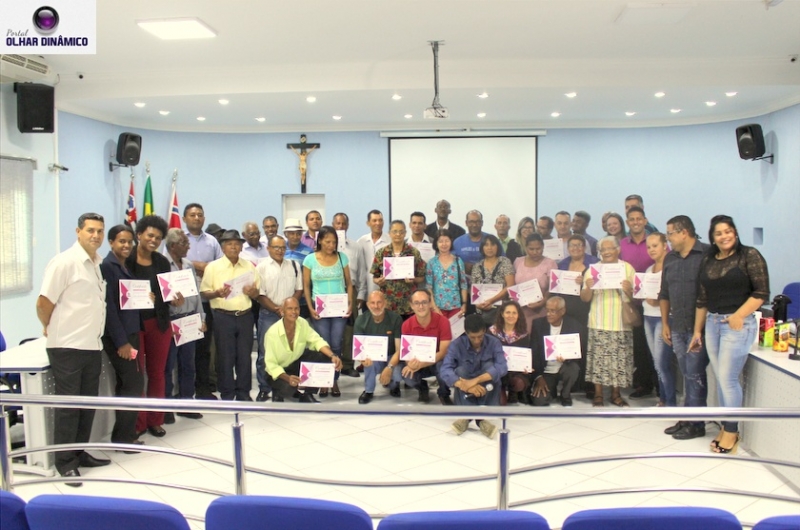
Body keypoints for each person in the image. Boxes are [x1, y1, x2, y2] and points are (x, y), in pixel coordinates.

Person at [37, 212, 111, 485]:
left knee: (86, 404)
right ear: (78, 231)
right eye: (91, 230)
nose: (96, 235)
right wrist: (51, 325)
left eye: (100, 231)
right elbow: (44, 302)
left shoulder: (95, 263)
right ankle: (65, 462)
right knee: (69, 407)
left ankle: (79, 453)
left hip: (91, 344)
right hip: (67, 346)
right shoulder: (65, 262)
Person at [691, 215, 769, 454]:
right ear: (713, 237)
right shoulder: (708, 260)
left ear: (735, 233)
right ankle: (726, 427)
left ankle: (732, 432)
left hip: (738, 323)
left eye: (728, 231)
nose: (724, 236)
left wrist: (737, 316)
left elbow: (761, 292)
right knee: (721, 378)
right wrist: (697, 330)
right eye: (718, 233)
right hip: (713, 323)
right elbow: (702, 299)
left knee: (728, 378)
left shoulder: (749, 255)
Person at [660, 215, 711, 441]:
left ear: (684, 232)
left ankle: (696, 423)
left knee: (695, 374)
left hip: (700, 328)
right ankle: (688, 417)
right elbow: (664, 293)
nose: (667, 238)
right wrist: (664, 323)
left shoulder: (708, 254)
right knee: (686, 374)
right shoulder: (670, 258)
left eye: (670, 233)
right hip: (677, 326)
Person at [128, 215, 175, 438]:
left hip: (159, 323)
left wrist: (175, 298)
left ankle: (156, 420)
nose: (154, 240)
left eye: (158, 237)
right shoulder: (126, 260)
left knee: (157, 373)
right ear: (139, 235)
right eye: (150, 235)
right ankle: (138, 423)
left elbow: (168, 294)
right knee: (137, 376)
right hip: (134, 325)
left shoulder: (162, 262)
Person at [100, 224, 146, 452]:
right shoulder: (107, 266)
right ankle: (124, 438)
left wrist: (146, 297)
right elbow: (108, 308)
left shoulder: (123, 265)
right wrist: (122, 343)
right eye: (121, 241)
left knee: (129, 383)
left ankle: (125, 435)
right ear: (111, 242)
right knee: (133, 383)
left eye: (129, 242)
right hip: (121, 338)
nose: (127, 245)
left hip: (131, 333)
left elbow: (126, 301)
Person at [200, 229, 260, 401]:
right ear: (223, 247)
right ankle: (227, 393)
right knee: (225, 357)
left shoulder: (249, 266)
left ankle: (243, 393)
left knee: (244, 356)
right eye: (229, 244)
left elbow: (257, 293)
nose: (233, 247)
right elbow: (204, 292)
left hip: (245, 316)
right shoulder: (213, 267)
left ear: (241, 247)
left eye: (237, 244)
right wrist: (217, 293)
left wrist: (253, 292)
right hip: (222, 316)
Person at [580, 236, 636, 407]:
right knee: (598, 361)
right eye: (602, 250)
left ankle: (616, 394)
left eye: (609, 249)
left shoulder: (627, 268)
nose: (606, 252)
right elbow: (584, 298)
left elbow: (637, 296)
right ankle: (598, 395)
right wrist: (588, 287)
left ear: (618, 250)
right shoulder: (593, 270)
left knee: (619, 360)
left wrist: (629, 290)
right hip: (598, 320)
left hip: (621, 322)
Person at [303, 226, 354, 397]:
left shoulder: (342, 258)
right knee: (323, 344)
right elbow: (306, 286)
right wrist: (310, 308)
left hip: (339, 308)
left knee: (337, 343)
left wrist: (350, 304)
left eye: (334, 242)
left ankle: (334, 379)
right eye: (327, 241)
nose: (331, 245)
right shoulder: (310, 260)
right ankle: (323, 380)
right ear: (320, 241)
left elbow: (349, 283)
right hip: (320, 309)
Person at [162, 228, 206, 421]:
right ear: (173, 246)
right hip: (172, 321)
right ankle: (166, 408)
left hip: (190, 319)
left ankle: (186, 403)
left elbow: (195, 293)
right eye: (184, 244)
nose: (188, 246)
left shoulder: (188, 264)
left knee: (188, 365)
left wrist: (201, 318)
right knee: (168, 367)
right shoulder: (161, 264)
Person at [441, 314, 507, 439]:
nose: (477, 341)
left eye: (480, 336)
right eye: (473, 337)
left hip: (487, 387)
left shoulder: (494, 343)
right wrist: (465, 385)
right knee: (460, 371)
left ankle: (467, 417)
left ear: (484, 331)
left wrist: (475, 381)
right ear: (466, 333)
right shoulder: (456, 345)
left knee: (490, 368)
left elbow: (502, 367)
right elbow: (445, 369)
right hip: (466, 387)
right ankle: (481, 420)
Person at [264, 297, 342, 403]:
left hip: (295, 364)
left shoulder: (302, 323)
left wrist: (333, 356)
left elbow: (317, 341)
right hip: (279, 372)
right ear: (282, 311)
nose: (294, 312)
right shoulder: (272, 333)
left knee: (324, 356)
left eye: (296, 308)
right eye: (290, 309)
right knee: (288, 388)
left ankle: (306, 394)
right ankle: (277, 391)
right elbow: (271, 365)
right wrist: (288, 378)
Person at [255, 235, 303, 401]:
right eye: (276, 247)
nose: (280, 250)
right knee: (265, 353)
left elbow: (299, 289)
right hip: (269, 314)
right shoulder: (261, 268)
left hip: (290, 316)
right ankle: (264, 388)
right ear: (268, 248)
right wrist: (277, 309)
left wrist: (288, 309)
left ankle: (285, 388)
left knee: (291, 352)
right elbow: (259, 294)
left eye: (283, 247)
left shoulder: (294, 266)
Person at [183, 203, 222, 399]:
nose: (196, 218)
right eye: (192, 215)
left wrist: (204, 267)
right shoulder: (178, 240)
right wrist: (196, 265)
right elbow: (170, 267)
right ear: (184, 219)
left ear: (204, 219)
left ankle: (203, 389)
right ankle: (185, 392)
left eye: (199, 215)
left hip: (206, 302)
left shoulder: (212, 242)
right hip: (184, 304)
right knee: (186, 350)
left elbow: (220, 269)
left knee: (205, 349)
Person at [391, 289, 453, 404]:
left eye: (424, 302)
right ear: (411, 306)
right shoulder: (406, 325)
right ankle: (422, 387)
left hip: (437, 361)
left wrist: (422, 364)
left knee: (444, 366)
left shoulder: (443, 322)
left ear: (430, 304)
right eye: (417, 303)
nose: (421, 306)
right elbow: (405, 352)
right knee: (404, 373)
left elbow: (444, 351)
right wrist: (410, 364)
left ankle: (444, 393)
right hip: (417, 362)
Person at [620, 206, 657, 400]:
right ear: (627, 222)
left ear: (645, 220)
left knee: (656, 346)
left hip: (654, 302)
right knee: (639, 346)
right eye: (631, 219)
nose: (635, 222)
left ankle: (659, 386)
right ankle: (643, 384)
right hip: (631, 302)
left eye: (639, 218)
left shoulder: (653, 241)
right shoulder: (622, 245)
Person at [558, 234, 599, 398]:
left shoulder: (594, 263)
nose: (575, 248)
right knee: (571, 347)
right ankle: (573, 382)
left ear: (584, 247)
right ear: (568, 249)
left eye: (579, 245)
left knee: (587, 346)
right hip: (567, 309)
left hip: (587, 309)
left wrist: (586, 281)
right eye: (572, 246)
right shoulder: (562, 264)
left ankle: (589, 386)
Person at [530, 296, 585, 408]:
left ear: (562, 311)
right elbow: (534, 353)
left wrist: (568, 357)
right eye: (547, 310)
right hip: (546, 371)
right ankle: (552, 391)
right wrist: (538, 377)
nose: (549, 314)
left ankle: (565, 394)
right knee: (539, 402)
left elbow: (579, 353)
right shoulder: (538, 324)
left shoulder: (574, 325)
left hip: (564, 367)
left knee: (573, 368)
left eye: (553, 311)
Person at [332, 212, 367, 378]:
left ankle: (347, 364)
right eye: (337, 223)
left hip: (350, 291)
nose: (340, 226)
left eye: (343, 223)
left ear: (347, 225)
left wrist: (361, 294)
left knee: (349, 329)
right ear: (333, 225)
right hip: (331, 291)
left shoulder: (356, 247)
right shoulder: (326, 246)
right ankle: (330, 363)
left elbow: (361, 272)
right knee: (330, 327)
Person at [370, 220, 426, 318]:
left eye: (401, 231)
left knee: (406, 332)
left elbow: (421, 277)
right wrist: (379, 281)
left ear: (405, 233)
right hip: (387, 304)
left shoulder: (414, 252)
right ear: (389, 233)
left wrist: (413, 280)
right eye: (395, 231)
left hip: (408, 305)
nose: (398, 234)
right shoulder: (381, 253)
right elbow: (375, 277)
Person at [354, 291, 403, 404]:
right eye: (373, 303)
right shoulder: (360, 320)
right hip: (373, 357)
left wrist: (389, 367)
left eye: (379, 302)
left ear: (385, 303)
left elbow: (399, 350)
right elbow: (358, 350)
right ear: (367, 305)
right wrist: (362, 360)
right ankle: (369, 391)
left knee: (396, 373)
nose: (376, 306)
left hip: (392, 356)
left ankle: (394, 385)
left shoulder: (396, 319)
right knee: (368, 362)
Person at [642, 233, 672, 408]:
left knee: (662, 363)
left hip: (663, 318)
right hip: (648, 316)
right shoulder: (648, 270)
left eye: (655, 245)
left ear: (664, 246)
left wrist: (658, 301)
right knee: (656, 362)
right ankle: (662, 398)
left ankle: (670, 402)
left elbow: (671, 296)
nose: (652, 249)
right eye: (649, 247)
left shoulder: (670, 267)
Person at [489, 300, 533, 405]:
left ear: (518, 315)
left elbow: (525, 355)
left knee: (519, 383)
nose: (511, 316)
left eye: (514, 313)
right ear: (502, 314)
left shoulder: (523, 334)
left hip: (516, 372)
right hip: (498, 372)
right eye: (508, 312)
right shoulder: (492, 332)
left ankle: (514, 392)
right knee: (501, 403)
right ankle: (501, 389)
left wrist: (526, 366)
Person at [513, 233, 558, 330]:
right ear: (526, 248)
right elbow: (513, 285)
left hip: (540, 310)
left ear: (543, 247)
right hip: (519, 311)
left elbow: (552, 288)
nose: (535, 252)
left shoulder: (550, 263)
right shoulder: (518, 262)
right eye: (531, 249)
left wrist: (543, 302)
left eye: (538, 249)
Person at [471, 235, 515, 325]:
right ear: (482, 247)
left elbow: (510, 285)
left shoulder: (505, 262)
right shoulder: (477, 266)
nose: (489, 248)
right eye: (486, 245)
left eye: (492, 244)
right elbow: (474, 291)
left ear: (497, 246)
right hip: (482, 312)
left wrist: (491, 301)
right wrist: (478, 304)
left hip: (502, 311)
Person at [426, 229, 468, 319]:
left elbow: (463, 284)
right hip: (438, 307)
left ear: (451, 242)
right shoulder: (431, 263)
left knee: (455, 333)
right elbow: (429, 287)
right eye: (441, 241)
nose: (444, 244)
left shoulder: (458, 261)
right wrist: (434, 307)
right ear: (436, 244)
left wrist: (464, 304)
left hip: (456, 306)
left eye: (447, 241)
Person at [284, 218, 314, 318]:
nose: (295, 237)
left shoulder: (309, 251)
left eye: (298, 233)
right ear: (286, 234)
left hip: (302, 301)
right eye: (292, 233)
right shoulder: (280, 249)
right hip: (283, 298)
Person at [357, 210, 390, 296]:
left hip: (386, 287)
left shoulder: (390, 240)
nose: (378, 223)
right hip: (366, 287)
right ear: (368, 223)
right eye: (374, 220)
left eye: (380, 220)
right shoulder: (361, 241)